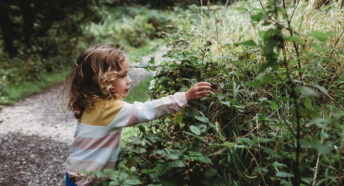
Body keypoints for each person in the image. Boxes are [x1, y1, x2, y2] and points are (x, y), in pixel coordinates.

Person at [63, 44, 212, 185]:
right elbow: (149, 110)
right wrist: (185, 97)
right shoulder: (109, 109)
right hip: (88, 181)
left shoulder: (89, 103)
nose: (129, 81)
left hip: (74, 174)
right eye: (122, 76)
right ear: (102, 81)